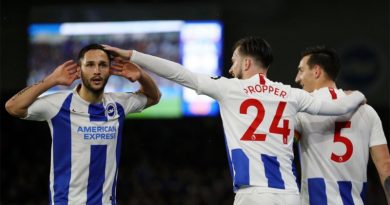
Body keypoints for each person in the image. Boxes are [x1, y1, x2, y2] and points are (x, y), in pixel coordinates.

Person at [103, 37, 366, 205]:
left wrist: (133, 55)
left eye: (234, 61)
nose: (230, 69)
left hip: (253, 194)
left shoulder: (230, 89)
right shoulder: (291, 94)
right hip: (289, 195)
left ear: (247, 62)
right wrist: (359, 96)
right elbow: (337, 106)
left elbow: (181, 74)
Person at [5, 44, 161, 204]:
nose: (97, 71)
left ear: (109, 71)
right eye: (90, 65)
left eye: (103, 65)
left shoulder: (118, 104)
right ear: (79, 70)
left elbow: (154, 97)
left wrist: (141, 75)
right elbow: (13, 106)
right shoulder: (59, 104)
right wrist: (51, 80)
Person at [294, 46, 390, 205]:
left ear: (317, 71)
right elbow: (385, 166)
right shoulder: (367, 111)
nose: (297, 78)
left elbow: (285, 145)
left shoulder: (302, 110)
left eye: (301, 70)